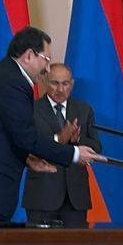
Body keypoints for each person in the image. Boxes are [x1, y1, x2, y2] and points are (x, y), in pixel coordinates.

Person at [0, 26, 104, 223]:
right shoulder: (13, 82)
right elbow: (27, 136)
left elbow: (3, 134)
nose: (47, 69)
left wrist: (27, 159)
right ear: (29, 55)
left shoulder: (0, 75)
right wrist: (74, 153)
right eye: (46, 60)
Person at [23, 62, 101, 227]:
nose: (60, 89)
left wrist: (76, 140)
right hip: (42, 195)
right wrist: (59, 138)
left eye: (65, 84)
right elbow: (27, 146)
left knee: (76, 243)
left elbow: (96, 148)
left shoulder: (83, 109)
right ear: (45, 82)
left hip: (75, 198)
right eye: (55, 83)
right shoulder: (31, 109)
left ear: (72, 84)